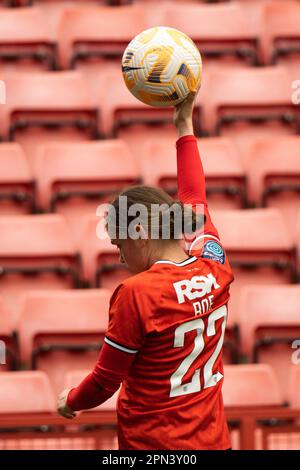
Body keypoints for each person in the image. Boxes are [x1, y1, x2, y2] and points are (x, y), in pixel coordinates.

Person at [57, 90, 234, 450]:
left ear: (138, 231)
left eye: (119, 246)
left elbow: (106, 382)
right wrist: (184, 125)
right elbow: (193, 194)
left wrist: (71, 400)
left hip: (154, 448)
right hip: (215, 443)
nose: (121, 259)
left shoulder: (138, 294)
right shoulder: (213, 260)